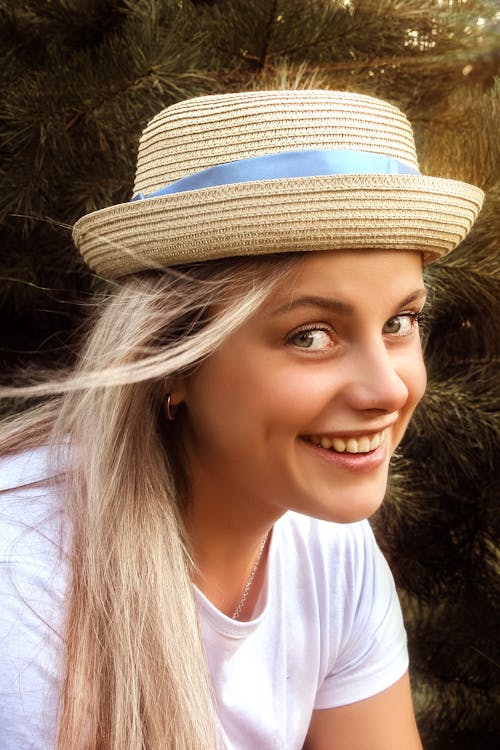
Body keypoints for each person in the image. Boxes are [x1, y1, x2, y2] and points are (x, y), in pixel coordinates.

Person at [0, 89, 483, 750]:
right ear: (169, 360)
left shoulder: (330, 546)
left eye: (400, 322)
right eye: (311, 335)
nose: (386, 390)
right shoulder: (21, 586)